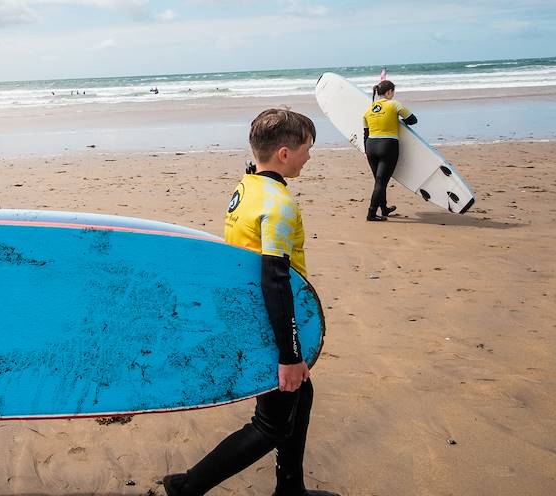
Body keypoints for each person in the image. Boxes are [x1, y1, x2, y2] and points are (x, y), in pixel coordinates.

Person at [162, 109, 336, 496]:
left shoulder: (248, 187)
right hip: (268, 322)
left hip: (248, 311)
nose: (309, 156)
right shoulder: (278, 205)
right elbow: (275, 280)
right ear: (285, 153)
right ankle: (188, 486)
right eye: (307, 148)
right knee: (270, 425)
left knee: (300, 395)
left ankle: (290, 488)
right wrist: (289, 355)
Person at [362, 79, 417, 221]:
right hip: (388, 145)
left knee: (379, 180)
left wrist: (365, 151)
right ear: (389, 92)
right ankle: (371, 214)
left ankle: (384, 208)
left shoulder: (369, 109)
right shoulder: (394, 104)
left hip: (370, 146)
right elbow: (413, 120)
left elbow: (365, 134)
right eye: (393, 92)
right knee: (381, 182)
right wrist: (399, 121)